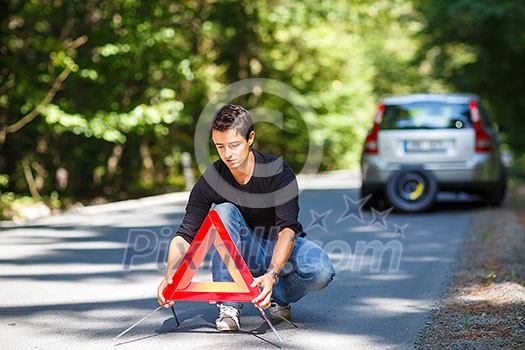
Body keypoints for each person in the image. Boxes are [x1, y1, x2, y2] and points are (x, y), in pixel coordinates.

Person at [157, 104, 335, 331]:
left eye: (234, 145)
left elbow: (288, 231)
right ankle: (229, 306)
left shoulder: (277, 171)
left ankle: (275, 295)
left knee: (322, 271)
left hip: (276, 244)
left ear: (250, 138)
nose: (227, 154)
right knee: (223, 211)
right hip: (239, 249)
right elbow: (185, 235)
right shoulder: (212, 177)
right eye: (219, 146)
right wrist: (172, 273)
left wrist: (272, 274)